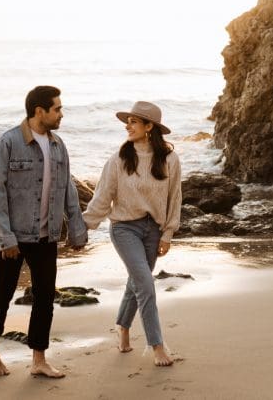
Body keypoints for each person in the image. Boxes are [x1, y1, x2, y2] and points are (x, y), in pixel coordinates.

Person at [0, 85, 88, 378]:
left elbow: (68, 188)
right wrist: (5, 237)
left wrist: (76, 228)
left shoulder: (58, 145)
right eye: (57, 109)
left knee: (45, 297)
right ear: (40, 111)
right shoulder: (7, 143)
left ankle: (39, 359)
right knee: (3, 293)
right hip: (13, 237)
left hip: (45, 236)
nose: (61, 114)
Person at [83, 101, 182, 366]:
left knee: (137, 281)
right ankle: (157, 345)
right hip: (124, 228)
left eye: (134, 122)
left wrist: (167, 234)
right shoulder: (118, 159)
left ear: (149, 127)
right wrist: (83, 228)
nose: (128, 126)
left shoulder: (170, 159)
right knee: (146, 284)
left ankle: (122, 327)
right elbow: (102, 197)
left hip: (154, 230)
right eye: (127, 122)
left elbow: (175, 198)